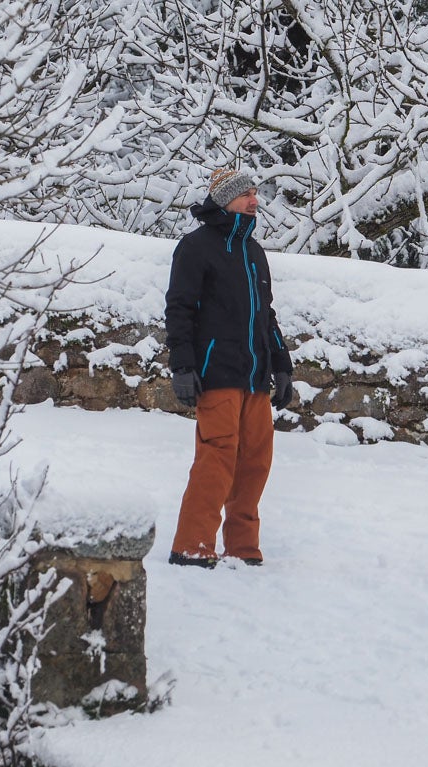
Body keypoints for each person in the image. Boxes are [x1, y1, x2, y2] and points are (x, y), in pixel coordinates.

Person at [164, 167, 295, 568]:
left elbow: (265, 314)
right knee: (216, 460)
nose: (255, 200)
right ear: (225, 200)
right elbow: (179, 310)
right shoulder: (196, 247)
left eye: (256, 193)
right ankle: (192, 545)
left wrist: (282, 365)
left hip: (255, 378)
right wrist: (183, 366)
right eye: (246, 194)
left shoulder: (254, 252)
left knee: (255, 463)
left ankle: (243, 548)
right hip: (216, 373)